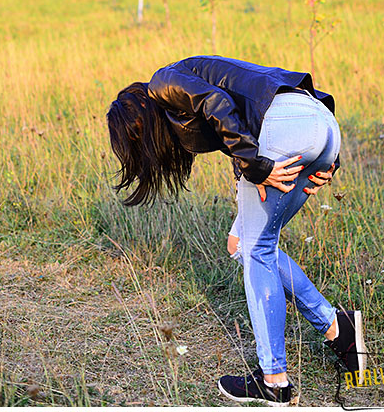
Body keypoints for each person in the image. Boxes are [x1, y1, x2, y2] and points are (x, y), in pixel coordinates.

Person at [107, 55, 367, 406]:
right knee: (240, 243)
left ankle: (274, 381)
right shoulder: (184, 81)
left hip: (289, 126)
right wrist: (327, 158)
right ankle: (338, 328)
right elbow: (245, 106)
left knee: (256, 248)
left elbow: (216, 103)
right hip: (319, 122)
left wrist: (255, 166)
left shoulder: (162, 84)